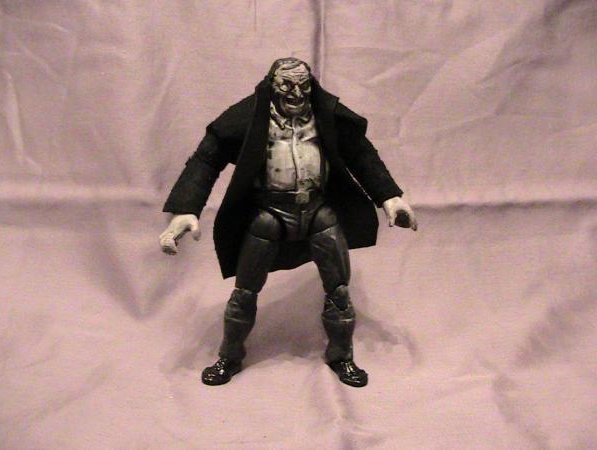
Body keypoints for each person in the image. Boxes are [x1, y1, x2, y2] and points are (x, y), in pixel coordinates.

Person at [159, 57, 417, 387]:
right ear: (272, 85)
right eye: (286, 85)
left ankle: (341, 355)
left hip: (319, 213)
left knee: (339, 290)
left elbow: (361, 154)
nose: (296, 94)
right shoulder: (249, 117)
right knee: (245, 292)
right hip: (268, 215)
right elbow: (207, 158)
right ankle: (230, 356)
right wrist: (185, 209)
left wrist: (390, 197)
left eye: (303, 86)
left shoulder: (325, 116)